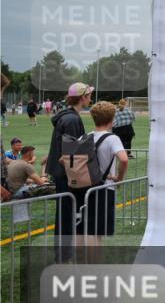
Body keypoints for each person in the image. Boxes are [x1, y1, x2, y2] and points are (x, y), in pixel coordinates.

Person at [46, 82, 93, 259]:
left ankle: (63, 252)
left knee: (65, 213)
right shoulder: (72, 119)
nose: (90, 98)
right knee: (67, 214)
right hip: (66, 175)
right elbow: (71, 153)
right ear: (82, 97)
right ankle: (64, 254)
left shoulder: (68, 117)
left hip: (62, 173)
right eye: (88, 95)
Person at [86, 101, 129, 240]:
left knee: (89, 229)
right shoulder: (112, 138)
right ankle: (95, 261)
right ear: (111, 120)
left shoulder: (86, 136)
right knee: (98, 234)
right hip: (105, 187)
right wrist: (119, 178)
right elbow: (123, 159)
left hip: (87, 186)